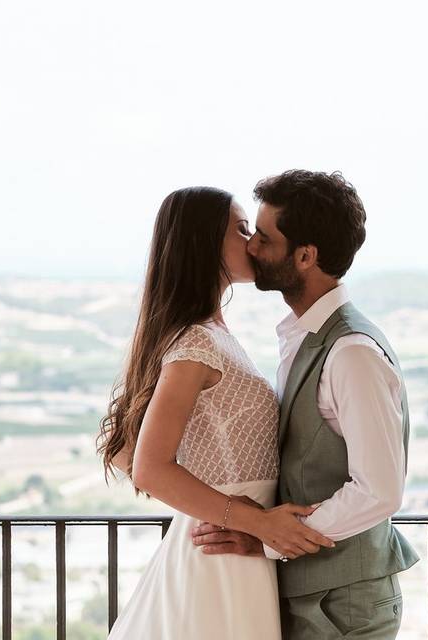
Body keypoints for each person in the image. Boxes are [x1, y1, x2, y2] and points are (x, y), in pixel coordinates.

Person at [97, 186, 334, 640]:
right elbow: (145, 466)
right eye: (242, 229)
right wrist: (250, 518)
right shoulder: (197, 344)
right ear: (204, 242)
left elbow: (125, 448)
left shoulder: (210, 334)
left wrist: (221, 503)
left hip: (232, 552)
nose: (253, 242)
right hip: (218, 560)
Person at [192, 170, 419, 639]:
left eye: (265, 237)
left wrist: (270, 538)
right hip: (317, 598)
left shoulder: (351, 353)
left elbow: (379, 491)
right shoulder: (303, 337)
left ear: (306, 256)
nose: (252, 246)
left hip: (344, 607)